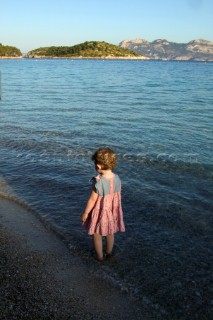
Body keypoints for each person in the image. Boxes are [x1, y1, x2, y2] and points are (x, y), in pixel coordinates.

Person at [80, 147, 125, 261]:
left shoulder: (98, 181)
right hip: (113, 211)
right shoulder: (117, 178)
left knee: (97, 234)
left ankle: (100, 257)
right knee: (110, 233)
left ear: (99, 165)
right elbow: (116, 195)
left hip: (101, 211)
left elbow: (92, 200)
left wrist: (85, 213)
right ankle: (109, 252)